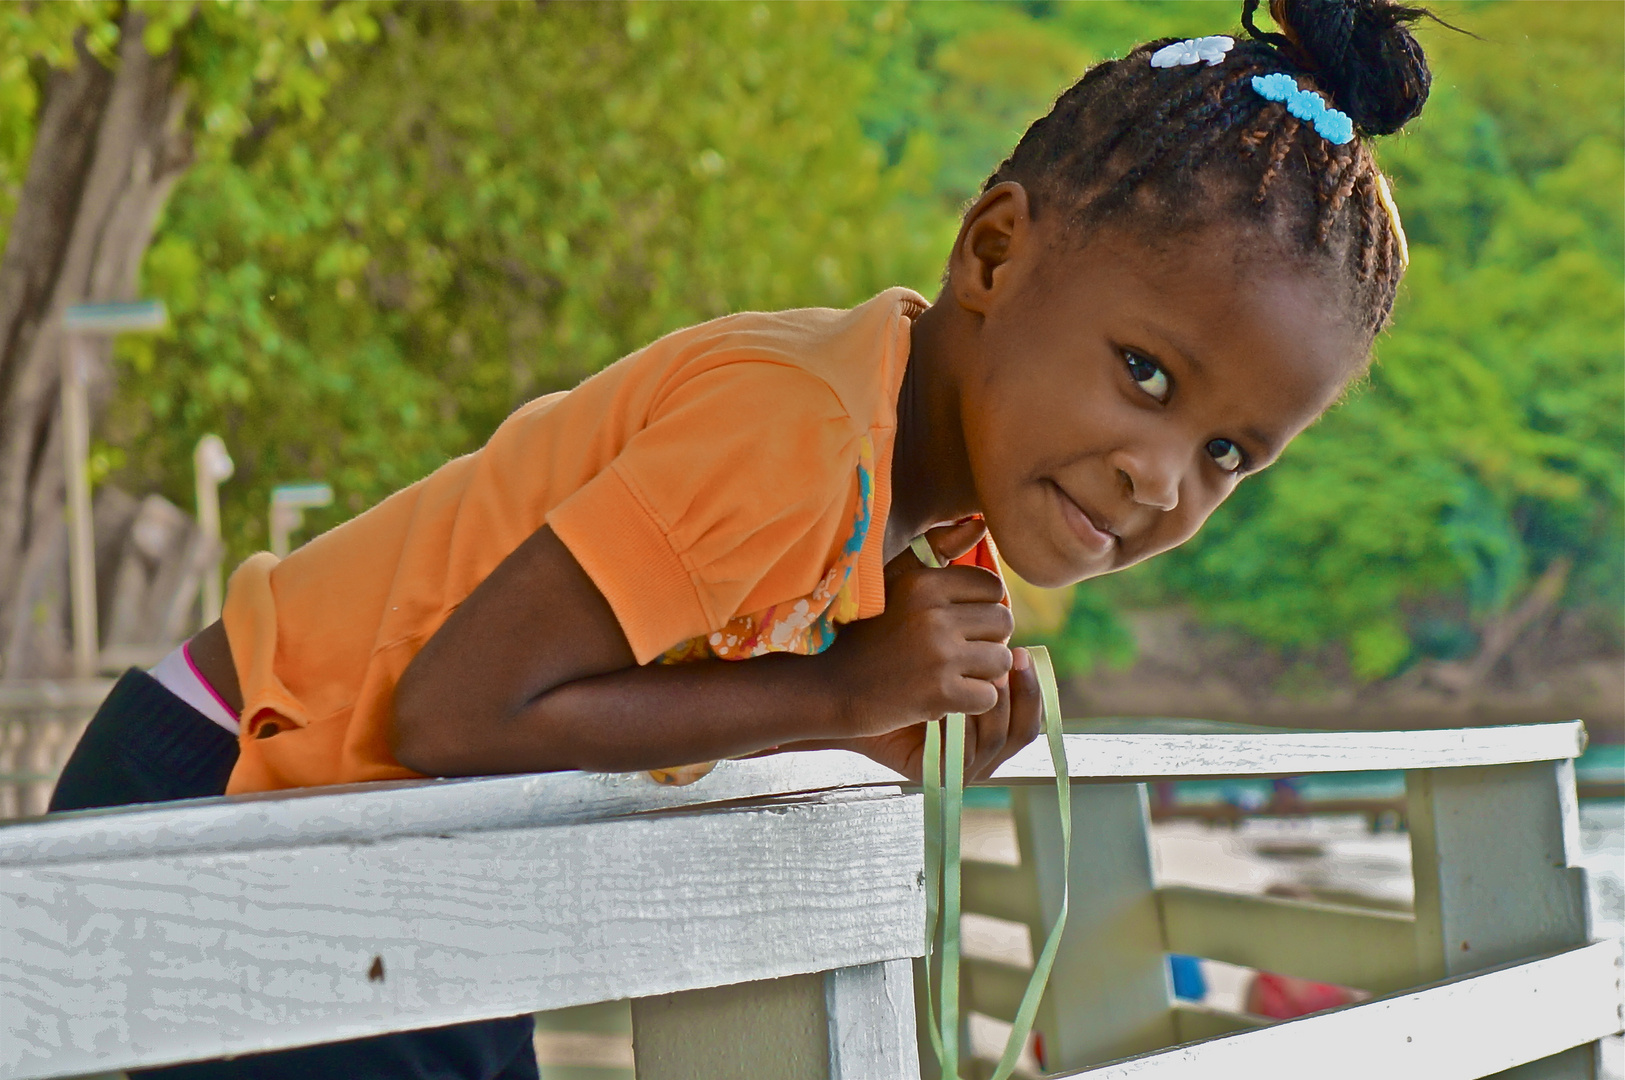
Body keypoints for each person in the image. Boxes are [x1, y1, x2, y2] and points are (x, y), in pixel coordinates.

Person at [49, 1, 1438, 1076]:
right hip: (244, 787)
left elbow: (645, 696)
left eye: (1226, 455)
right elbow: (463, 707)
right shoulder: (801, 433)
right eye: (1144, 373)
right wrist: (846, 693)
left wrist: (876, 738)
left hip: (387, 846)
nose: (1160, 481)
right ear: (997, 252)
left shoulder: (913, 514)